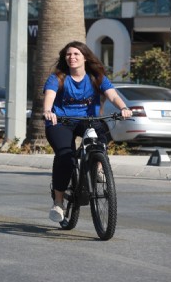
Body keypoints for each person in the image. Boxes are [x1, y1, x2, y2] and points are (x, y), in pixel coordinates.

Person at [43, 41, 132, 223]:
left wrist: (124, 108)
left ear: (85, 57)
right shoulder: (58, 77)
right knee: (65, 156)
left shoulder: (96, 77)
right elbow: (50, 95)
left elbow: (112, 95)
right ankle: (58, 203)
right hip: (61, 121)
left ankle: (98, 166)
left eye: (76, 54)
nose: (72, 57)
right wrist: (48, 111)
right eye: (68, 54)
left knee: (100, 137)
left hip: (87, 120)